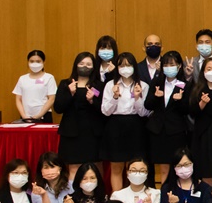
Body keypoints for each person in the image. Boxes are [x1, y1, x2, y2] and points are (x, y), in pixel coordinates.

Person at [99, 52, 150, 189]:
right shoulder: (110, 85)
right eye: (121, 65)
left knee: (135, 167)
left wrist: (138, 98)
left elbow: (145, 112)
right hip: (115, 126)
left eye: (128, 65)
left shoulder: (143, 86)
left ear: (134, 67)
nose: (125, 68)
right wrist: (115, 97)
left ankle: (134, 198)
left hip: (136, 126)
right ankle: (117, 199)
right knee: (116, 167)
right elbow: (105, 111)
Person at [144, 50, 191, 181]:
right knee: (163, 167)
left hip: (176, 131)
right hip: (157, 130)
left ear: (179, 66)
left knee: (176, 166)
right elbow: (148, 105)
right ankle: (163, 196)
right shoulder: (156, 83)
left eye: (172, 64)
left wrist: (179, 100)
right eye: (166, 64)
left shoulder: (184, 85)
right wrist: (155, 97)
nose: (169, 67)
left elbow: (187, 110)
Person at [53, 53, 104, 168]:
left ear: (93, 67)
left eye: (88, 64)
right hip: (71, 132)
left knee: (95, 167)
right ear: (76, 65)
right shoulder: (65, 84)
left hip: (93, 133)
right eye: (81, 63)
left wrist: (92, 101)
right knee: (73, 166)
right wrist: (69, 94)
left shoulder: (99, 85)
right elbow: (58, 108)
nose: (84, 66)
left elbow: (104, 110)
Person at [12, 50, 55, 122]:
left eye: (38, 61)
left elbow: (51, 99)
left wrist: (39, 115)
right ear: (28, 62)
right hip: (25, 116)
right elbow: (18, 99)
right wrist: (24, 116)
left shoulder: (49, 77)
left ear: (43, 62)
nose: (35, 64)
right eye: (31, 61)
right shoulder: (22, 78)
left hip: (44, 116)